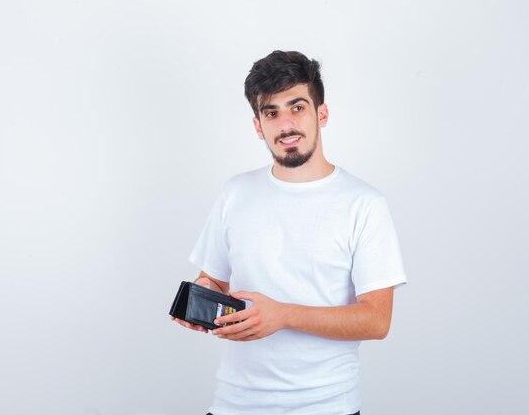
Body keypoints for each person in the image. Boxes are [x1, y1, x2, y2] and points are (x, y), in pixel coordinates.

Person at [172, 50, 407, 415]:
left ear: (321, 113)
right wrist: (202, 296)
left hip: (326, 406)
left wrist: (282, 315)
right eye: (272, 112)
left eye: (297, 107)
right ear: (258, 126)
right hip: (234, 403)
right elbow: (213, 280)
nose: (286, 125)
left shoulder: (364, 203)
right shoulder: (236, 192)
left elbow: (377, 320)